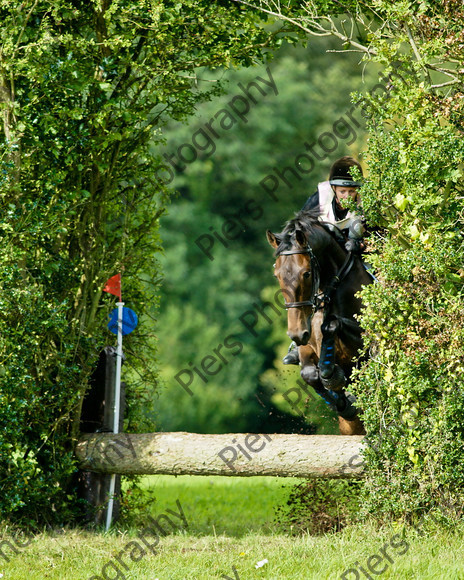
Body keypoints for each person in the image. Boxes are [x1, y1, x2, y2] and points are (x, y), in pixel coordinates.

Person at [283, 156, 366, 365]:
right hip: (327, 259)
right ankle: (300, 344)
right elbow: (299, 230)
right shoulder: (318, 199)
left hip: (360, 253)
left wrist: (363, 244)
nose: (347, 196)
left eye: (351, 191)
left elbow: (382, 232)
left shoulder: (368, 202)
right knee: (303, 283)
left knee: (380, 275)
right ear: (334, 188)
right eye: (342, 191)